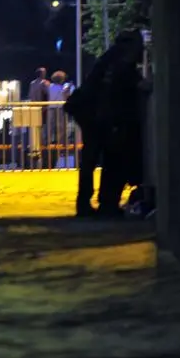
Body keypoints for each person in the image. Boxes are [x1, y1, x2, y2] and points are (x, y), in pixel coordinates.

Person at [64, 30, 144, 218]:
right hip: (98, 117)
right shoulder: (121, 63)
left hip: (92, 115)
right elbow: (124, 86)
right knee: (110, 159)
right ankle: (105, 204)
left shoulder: (109, 59)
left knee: (92, 160)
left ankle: (86, 204)